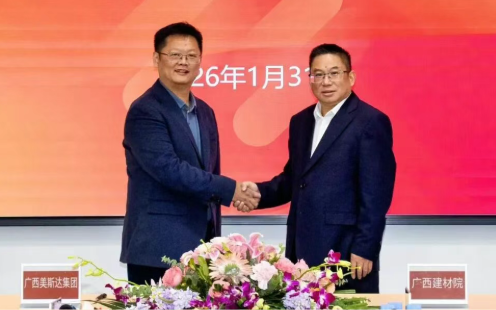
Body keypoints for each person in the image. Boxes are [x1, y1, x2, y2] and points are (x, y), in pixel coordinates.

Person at [236, 44, 396, 293]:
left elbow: (376, 195)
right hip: (301, 249)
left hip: (346, 252)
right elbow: (294, 180)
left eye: (334, 73)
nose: (326, 81)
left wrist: (365, 247)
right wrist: (258, 193)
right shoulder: (300, 122)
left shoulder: (370, 121)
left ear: (351, 77)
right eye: (318, 74)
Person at [120, 22, 260, 285]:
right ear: (157, 59)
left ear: (199, 61)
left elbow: (209, 172)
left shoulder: (205, 112)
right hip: (157, 249)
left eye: (191, 55)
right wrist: (232, 190)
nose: (183, 62)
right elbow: (169, 170)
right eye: (175, 55)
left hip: (203, 248)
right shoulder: (145, 111)